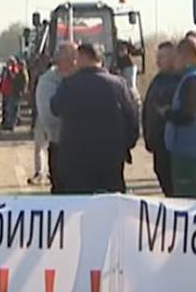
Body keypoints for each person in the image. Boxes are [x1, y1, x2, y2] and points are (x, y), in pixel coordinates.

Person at [50, 42, 140, 194]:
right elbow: (131, 121)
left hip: (75, 159)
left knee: (78, 208)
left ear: (82, 58)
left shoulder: (69, 84)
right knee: (110, 207)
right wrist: (124, 147)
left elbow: (55, 108)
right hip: (110, 160)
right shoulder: (119, 85)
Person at [163, 36, 196, 198]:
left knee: (189, 200)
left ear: (186, 58)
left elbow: (189, 115)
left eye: (177, 58)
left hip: (190, 154)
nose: (175, 63)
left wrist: (166, 112)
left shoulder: (194, 79)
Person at [32, 42, 76, 188]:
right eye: (73, 59)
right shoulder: (47, 82)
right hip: (61, 147)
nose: (76, 63)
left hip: (87, 150)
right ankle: (39, 172)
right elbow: (49, 116)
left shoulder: (84, 79)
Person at [142, 41, 181, 197]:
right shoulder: (158, 80)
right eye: (157, 57)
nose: (158, 61)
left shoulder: (182, 81)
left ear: (174, 57)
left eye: (162, 57)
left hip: (173, 148)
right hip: (158, 146)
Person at [11, 59, 29, 127]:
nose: (18, 66)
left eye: (19, 65)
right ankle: (17, 120)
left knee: (16, 107)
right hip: (17, 91)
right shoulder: (21, 73)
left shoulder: (23, 73)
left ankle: (16, 121)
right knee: (16, 107)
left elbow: (24, 83)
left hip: (18, 92)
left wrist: (22, 91)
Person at [0, 61, 16, 130]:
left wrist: (10, 71)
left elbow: (14, 78)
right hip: (5, 91)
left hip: (10, 92)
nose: (8, 65)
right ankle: (4, 122)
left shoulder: (14, 69)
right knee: (4, 108)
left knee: (9, 109)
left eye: (10, 63)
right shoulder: (5, 71)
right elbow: (3, 80)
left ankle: (9, 125)